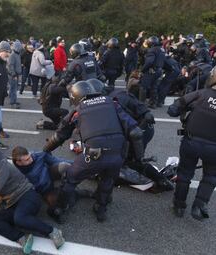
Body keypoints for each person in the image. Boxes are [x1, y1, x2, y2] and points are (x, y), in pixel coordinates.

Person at [43, 81, 144, 222]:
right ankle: (101, 208)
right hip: (117, 154)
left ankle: (59, 208)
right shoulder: (113, 103)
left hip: (94, 155)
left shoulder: (79, 110)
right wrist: (139, 159)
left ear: (76, 96)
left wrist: (45, 151)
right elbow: (136, 133)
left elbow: (60, 135)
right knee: (108, 179)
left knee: (70, 178)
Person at [0, 144, 65, 254]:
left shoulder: (3, 167)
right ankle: (22, 237)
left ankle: (53, 231)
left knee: (20, 218)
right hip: (12, 202)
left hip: (28, 195)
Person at [90, 78, 173, 192]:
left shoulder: (116, 99)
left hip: (140, 130)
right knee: (127, 157)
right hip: (137, 128)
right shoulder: (113, 96)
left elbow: (140, 119)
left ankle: (162, 181)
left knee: (134, 161)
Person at [167, 68, 216, 220]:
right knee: (211, 176)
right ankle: (199, 205)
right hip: (213, 148)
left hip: (191, 142)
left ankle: (179, 205)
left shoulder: (201, 93)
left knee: (185, 173)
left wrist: (185, 111)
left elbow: (173, 109)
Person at [140, 36, 165, 109]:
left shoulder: (152, 50)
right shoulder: (162, 49)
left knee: (143, 87)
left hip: (151, 70)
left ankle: (141, 104)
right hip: (159, 70)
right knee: (154, 87)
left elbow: (149, 62)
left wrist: (143, 69)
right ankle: (153, 103)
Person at [7, 40, 22, 108]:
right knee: (13, 88)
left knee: (13, 88)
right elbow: (10, 66)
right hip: (13, 75)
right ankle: (12, 102)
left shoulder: (17, 54)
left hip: (16, 74)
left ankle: (13, 100)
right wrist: (14, 74)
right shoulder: (13, 55)